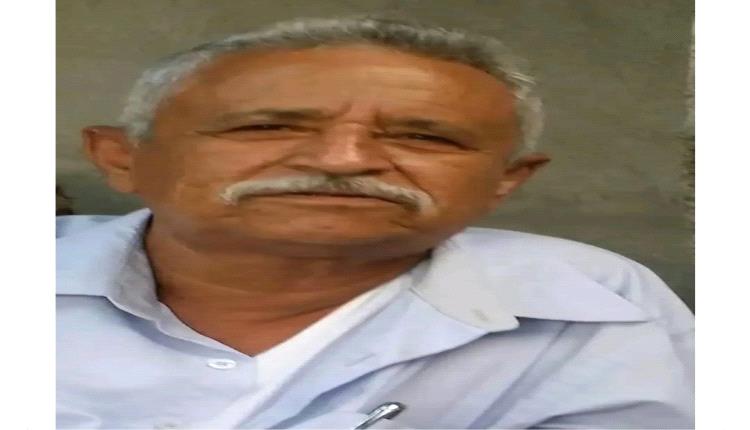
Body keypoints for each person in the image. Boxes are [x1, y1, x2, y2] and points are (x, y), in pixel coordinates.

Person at [56, 16, 694, 429]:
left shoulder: (598, 303)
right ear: (122, 158)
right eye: (267, 126)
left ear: (506, 180)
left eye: (425, 137)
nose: (343, 160)